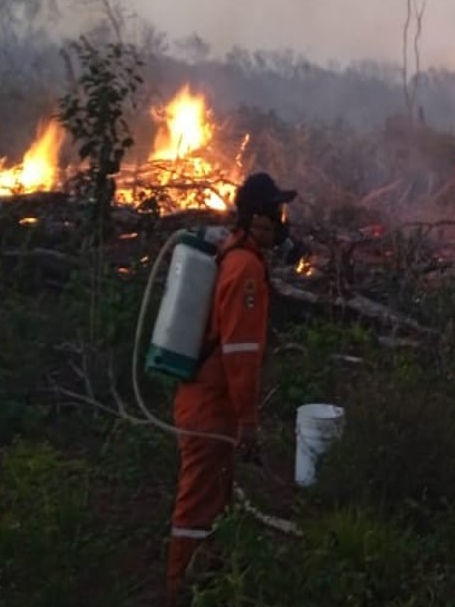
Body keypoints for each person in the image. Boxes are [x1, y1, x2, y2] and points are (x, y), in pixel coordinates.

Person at [166, 171, 297, 602]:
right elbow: (240, 355)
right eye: (276, 210)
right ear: (257, 217)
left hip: (207, 401)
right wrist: (249, 423)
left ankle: (209, 580)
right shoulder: (244, 269)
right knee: (197, 503)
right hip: (211, 406)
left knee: (215, 498)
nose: (282, 219)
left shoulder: (237, 253)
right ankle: (180, 589)